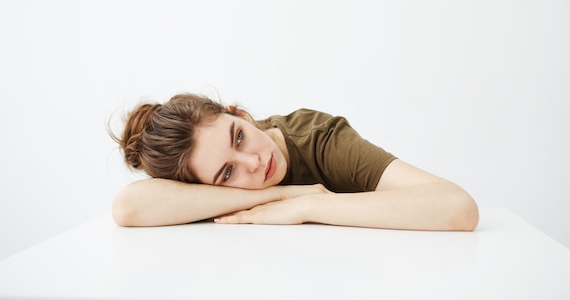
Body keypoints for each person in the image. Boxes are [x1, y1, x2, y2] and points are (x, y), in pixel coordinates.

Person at [110, 93, 479, 231]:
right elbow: (127, 207)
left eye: (238, 136)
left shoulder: (318, 137)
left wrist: (308, 205)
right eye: (227, 172)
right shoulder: (213, 188)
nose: (253, 162)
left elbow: (457, 207)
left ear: (241, 114)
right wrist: (278, 196)